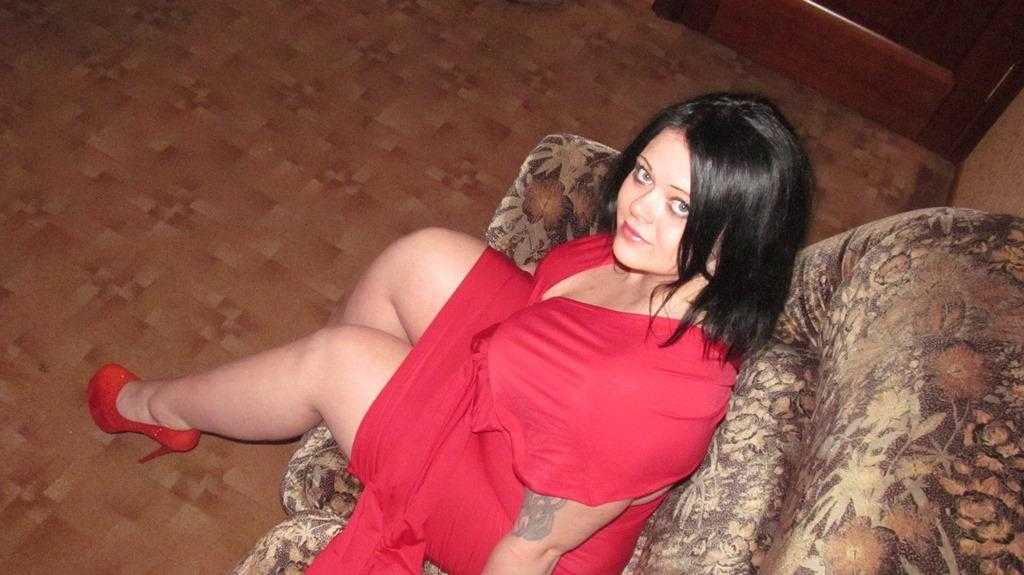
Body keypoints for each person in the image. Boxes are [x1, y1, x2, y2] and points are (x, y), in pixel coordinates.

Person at [88, 92, 811, 574]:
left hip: (504, 514)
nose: (639, 207)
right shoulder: (663, 267)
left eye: (681, 205)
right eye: (646, 174)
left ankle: (157, 408)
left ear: (736, 240)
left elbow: (533, 547)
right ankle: (351, 422)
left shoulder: (644, 393)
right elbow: (554, 325)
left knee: (336, 359)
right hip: (529, 390)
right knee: (424, 254)